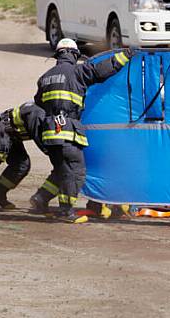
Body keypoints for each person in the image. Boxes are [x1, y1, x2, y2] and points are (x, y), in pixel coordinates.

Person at [27, 39, 134, 223]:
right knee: (76, 172)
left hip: (49, 135)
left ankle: (41, 199)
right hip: (68, 131)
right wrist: (127, 54)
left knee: (62, 170)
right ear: (74, 55)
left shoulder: (44, 78)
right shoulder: (78, 71)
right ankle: (65, 211)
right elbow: (102, 69)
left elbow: (39, 104)